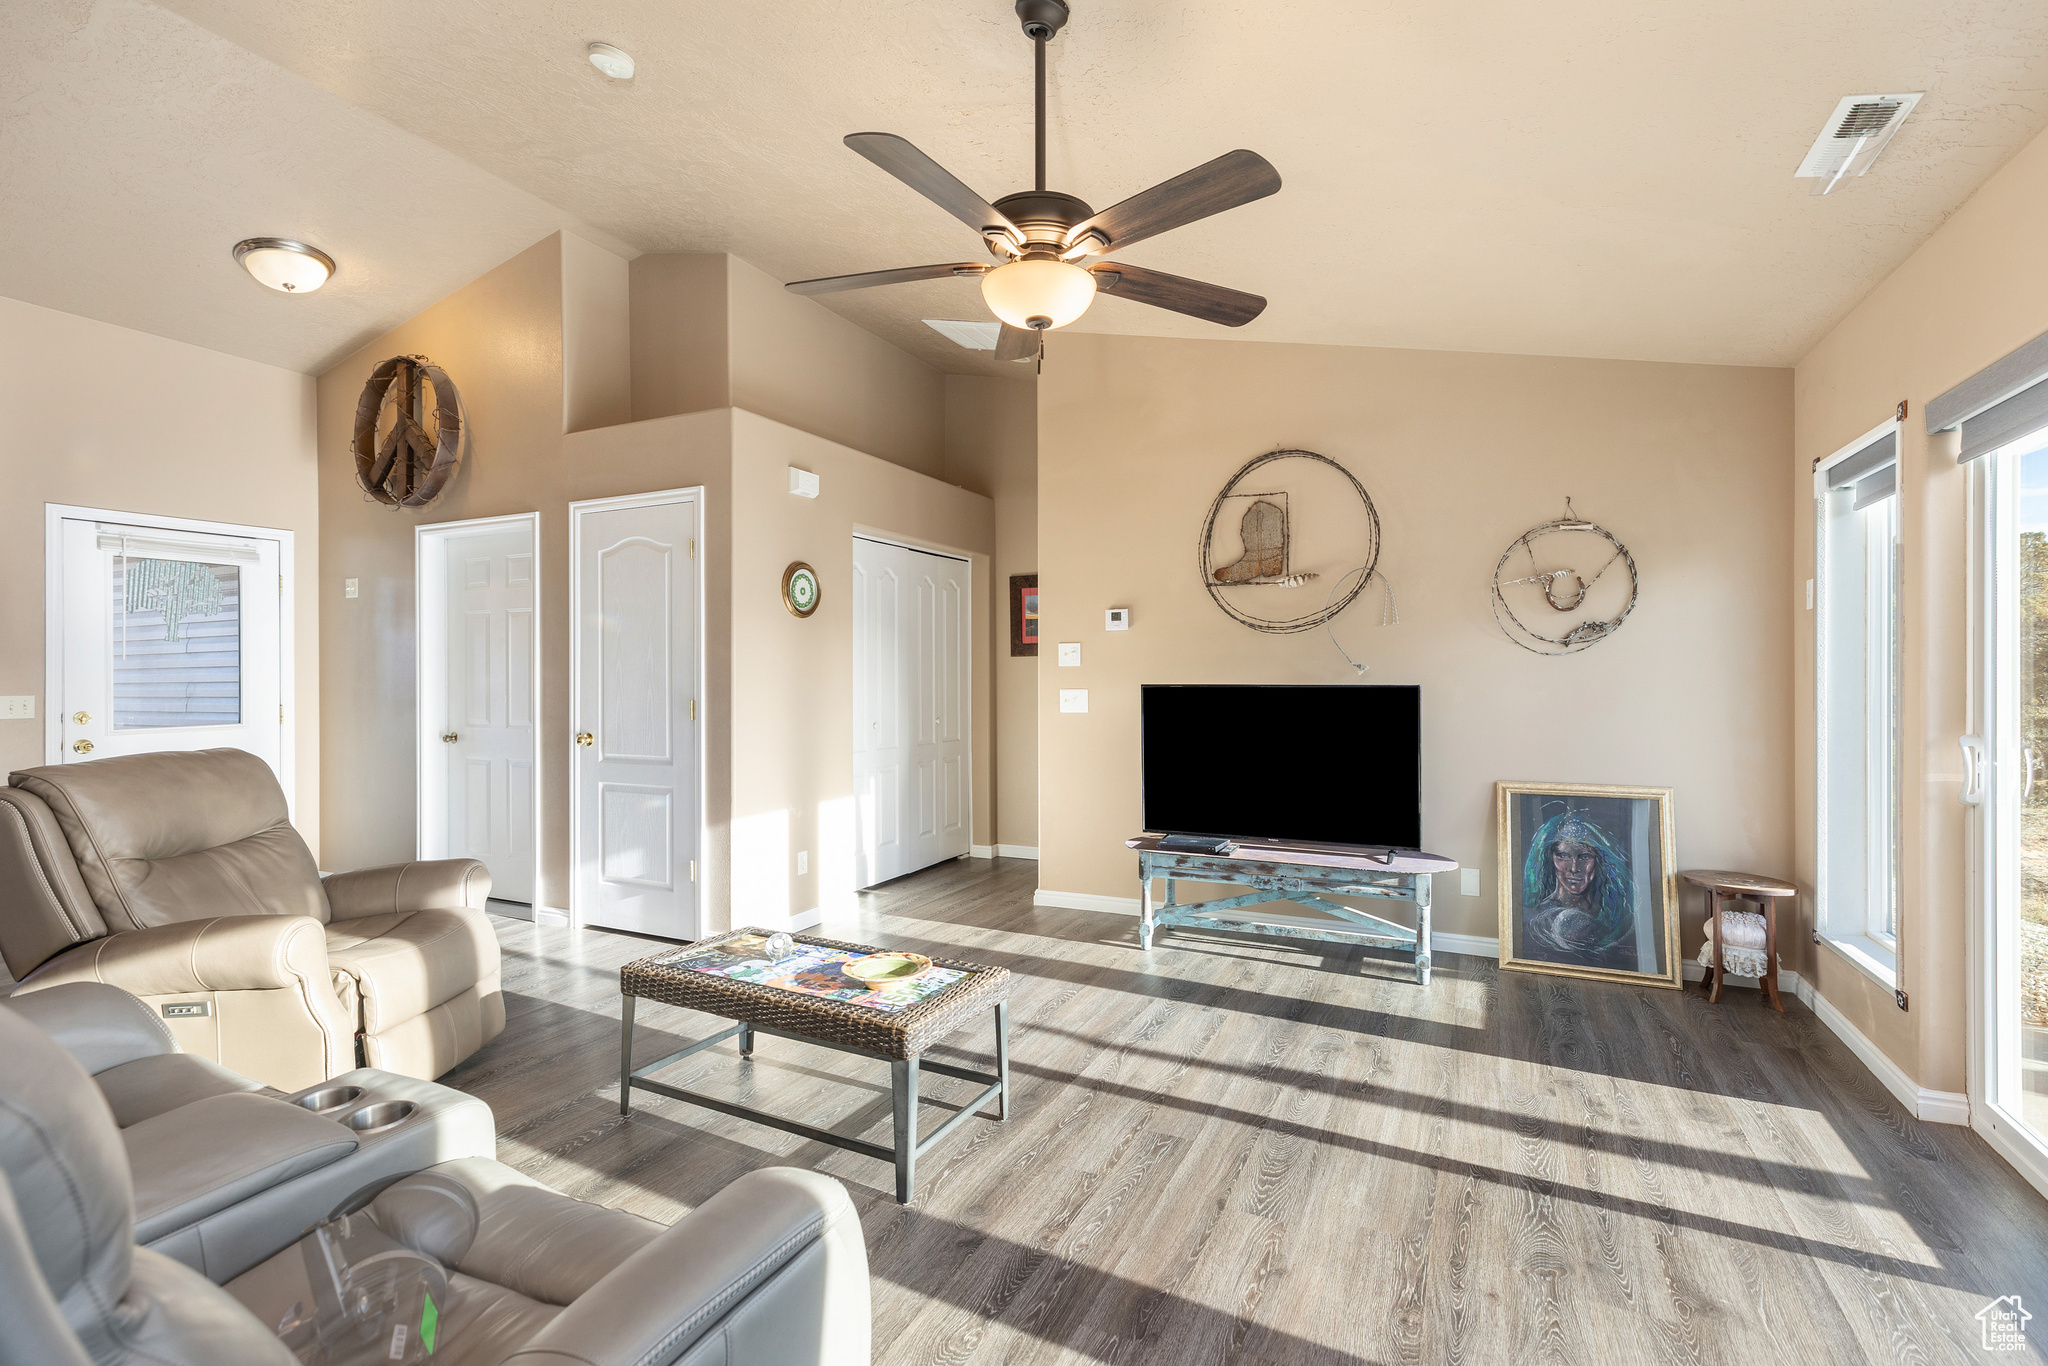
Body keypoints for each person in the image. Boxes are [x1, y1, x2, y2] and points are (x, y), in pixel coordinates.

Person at [1519, 809, 1637, 971]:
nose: (1574, 868)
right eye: (1563, 856)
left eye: (1584, 857)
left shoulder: (1614, 918)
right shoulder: (1533, 914)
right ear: (1550, 858)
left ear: (1598, 861)